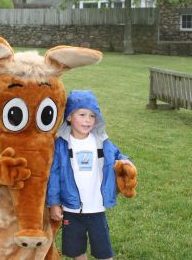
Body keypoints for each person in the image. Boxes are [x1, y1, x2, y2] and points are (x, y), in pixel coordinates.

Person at [47, 90, 137, 260]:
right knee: (76, 251)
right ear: (69, 117)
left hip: (97, 207)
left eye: (92, 116)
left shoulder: (101, 141)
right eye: (82, 114)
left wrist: (126, 162)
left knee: (104, 252)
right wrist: (53, 203)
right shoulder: (61, 145)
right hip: (71, 208)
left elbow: (118, 155)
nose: (87, 120)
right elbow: (54, 175)